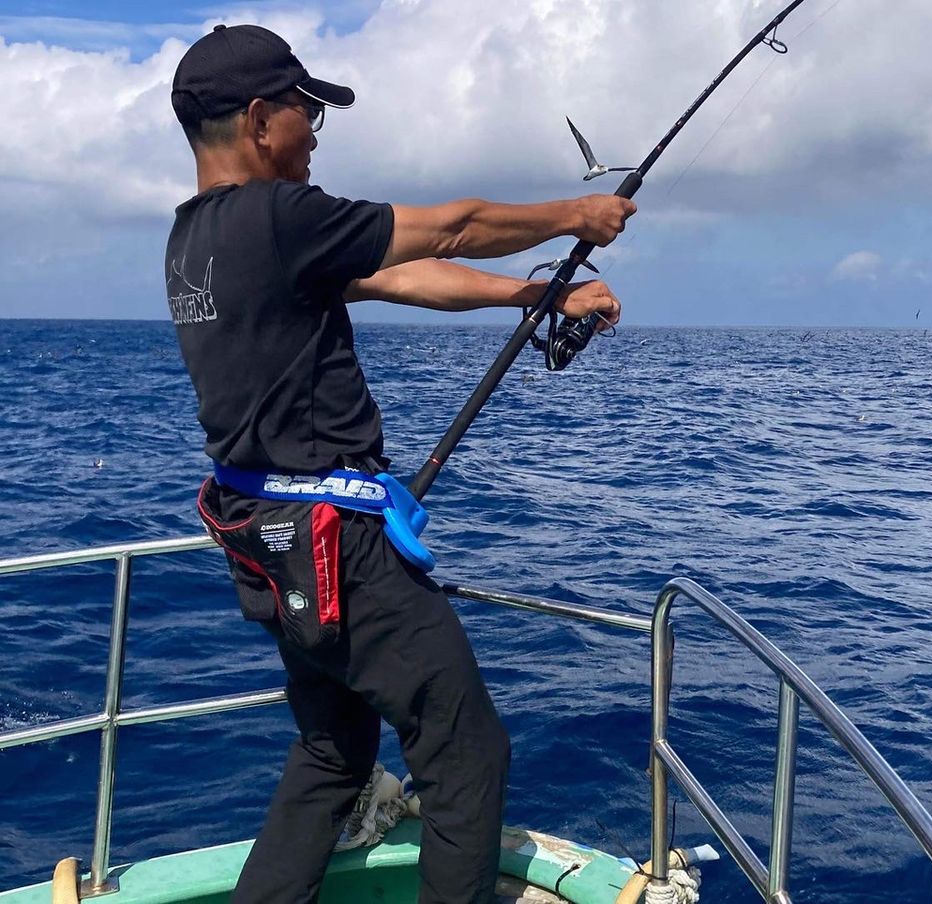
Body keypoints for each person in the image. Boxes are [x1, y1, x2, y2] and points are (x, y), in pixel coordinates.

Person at [165, 23, 635, 904]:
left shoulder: (197, 241)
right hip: (341, 555)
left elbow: (401, 274)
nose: (313, 135)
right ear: (261, 118)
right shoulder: (280, 217)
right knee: (466, 756)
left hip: (268, 547)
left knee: (333, 748)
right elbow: (451, 228)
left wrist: (538, 293)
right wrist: (578, 216)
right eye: (307, 114)